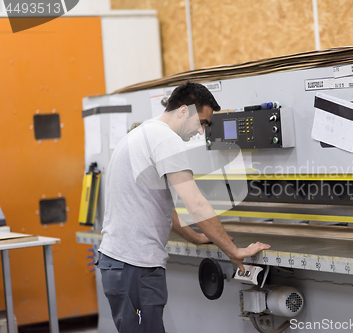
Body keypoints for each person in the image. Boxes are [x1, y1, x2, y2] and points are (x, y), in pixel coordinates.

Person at [96, 82, 271, 333]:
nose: (201, 132)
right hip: (135, 267)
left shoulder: (140, 135)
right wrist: (233, 251)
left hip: (120, 264)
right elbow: (197, 205)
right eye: (201, 122)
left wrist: (196, 237)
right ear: (182, 110)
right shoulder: (166, 140)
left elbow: (161, 206)